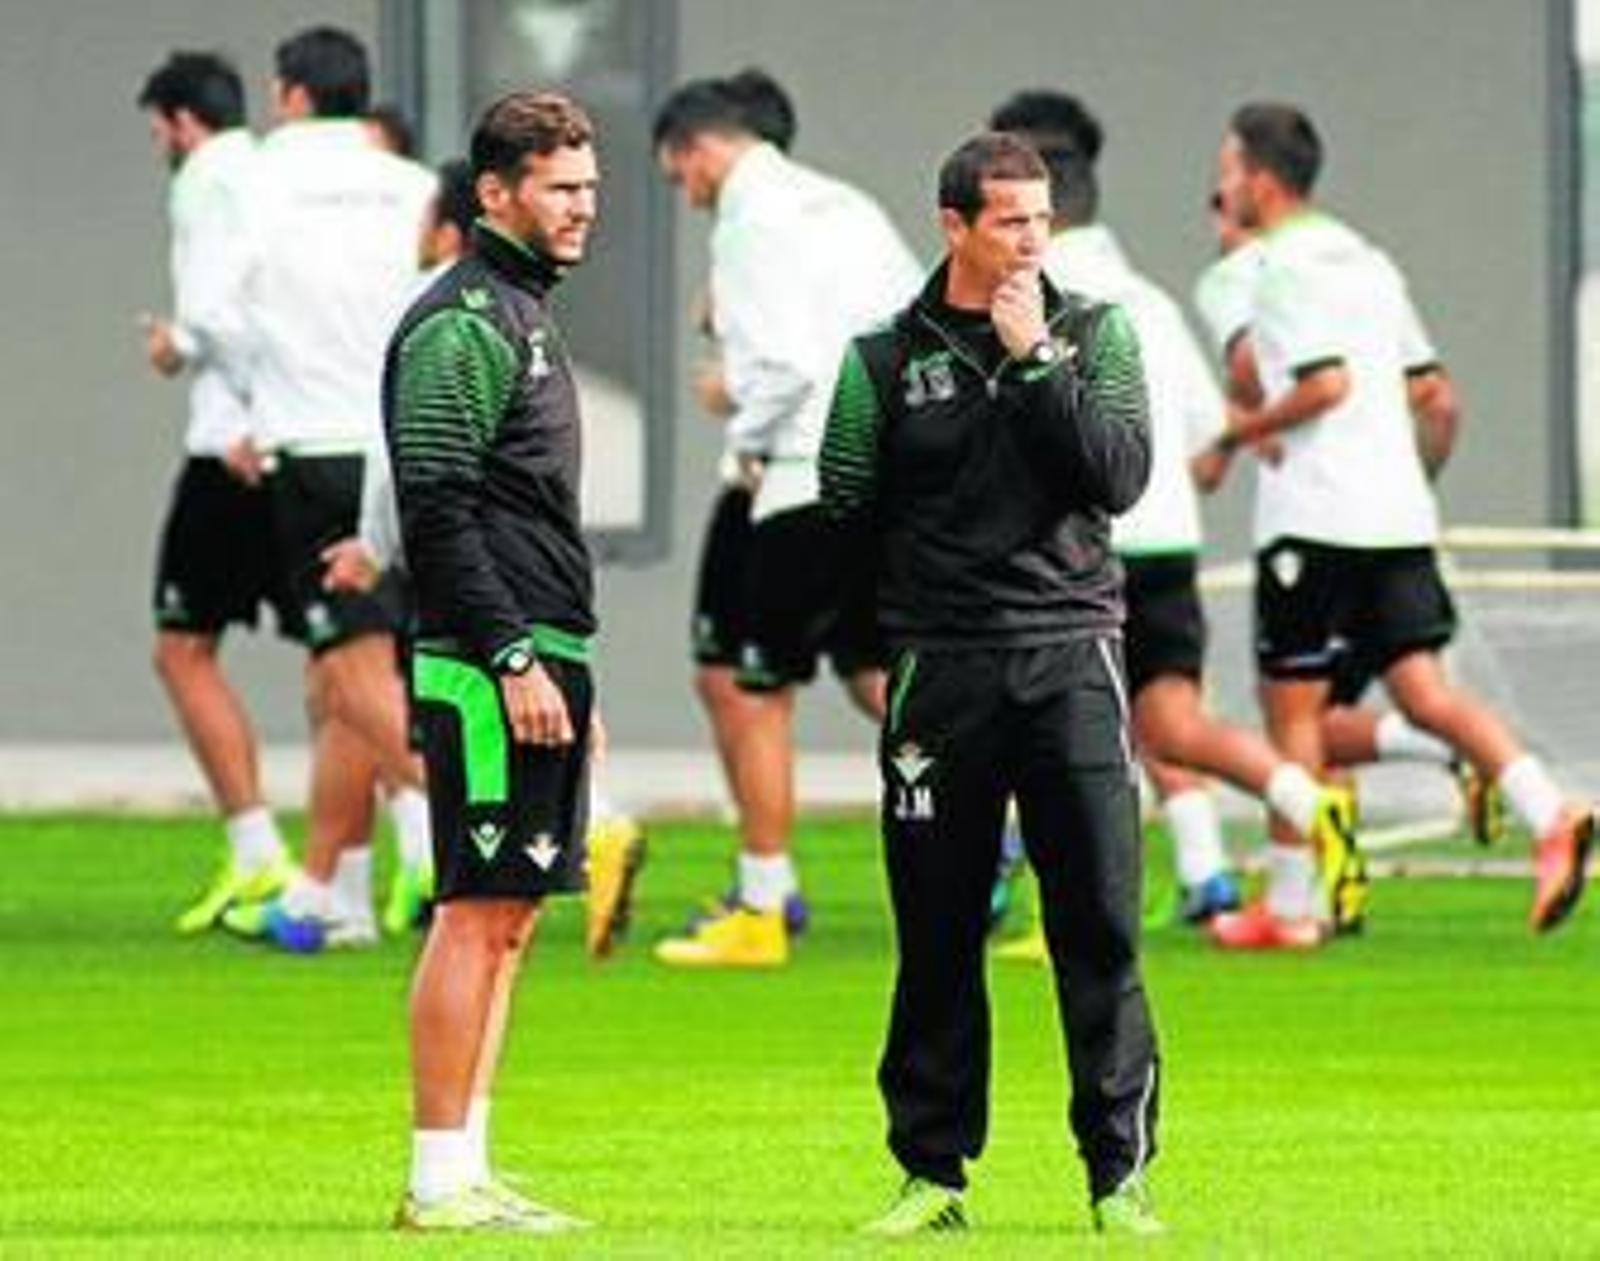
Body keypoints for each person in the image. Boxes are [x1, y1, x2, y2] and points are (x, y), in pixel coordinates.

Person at [822, 131, 1163, 1237]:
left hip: (1071, 656)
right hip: (941, 669)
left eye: (1041, 219)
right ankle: (932, 1174)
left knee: (1099, 926)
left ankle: (1118, 1176)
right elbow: (841, 506)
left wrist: (1033, 366)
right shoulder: (880, 354)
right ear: (955, 224)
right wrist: (879, 645)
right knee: (934, 932)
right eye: (1009, 220)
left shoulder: (1094, 333)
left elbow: (1116, 476)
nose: (1030, 240)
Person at [1203, 102, 1593, 944]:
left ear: (1261, 182)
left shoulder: (1275, 268)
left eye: (1228, 170)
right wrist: (1406, 485)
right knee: (1426, 693)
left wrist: (1234, 438)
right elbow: (1437, 400)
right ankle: (1550, 811)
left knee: (1294, 713)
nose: (1223, 186)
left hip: (1315, 517)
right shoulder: (1373, 263)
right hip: (1399, 516)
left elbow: (1324, 383)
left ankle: (1294, 905)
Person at [987, 90, 1361, 937]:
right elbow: (1209, 433)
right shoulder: (1148, 298)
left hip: (1077, 549)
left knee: (1054, 731)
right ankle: (1309, 803)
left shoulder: (1028, 297)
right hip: (1168, 539)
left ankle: (1065, 916)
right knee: (1171, 724)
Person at [385, 89, 601, 1233]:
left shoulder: (523, 311)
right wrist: (514, 656)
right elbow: (438, 512)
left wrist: (565, 672)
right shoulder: (462, 321)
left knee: (512, 913)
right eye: (561, 189)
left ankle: (467, 1166)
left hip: (542, 652)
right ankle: (432, 1177)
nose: (582, 210)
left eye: (589, 189)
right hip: (484, 664)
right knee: (472, 910)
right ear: (495, 192)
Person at [650, 74, 922, 967]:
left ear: (697, 148)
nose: (685, 194)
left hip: (804, 474)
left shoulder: (747, 219)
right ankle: (1007, 831)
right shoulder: (848, 206)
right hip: (888, 475)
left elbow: (786, 369)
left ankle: (763, 901)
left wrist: (741, 421)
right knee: (881, 671)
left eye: (677, 176)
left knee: (751, 688)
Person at [218, 26, 438, 952]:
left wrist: (249, 405)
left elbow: (216, 311)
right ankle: (331, 892)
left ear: (290, 93)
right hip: (404, 436)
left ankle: (468, 825)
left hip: (311, 443)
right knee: (345, 676)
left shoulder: (256, 178)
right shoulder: (410, 181)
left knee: (351, 668)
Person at [136, 51, 297, 934]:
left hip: (232, 449)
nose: (161, 143)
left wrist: (179, 344)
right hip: (305, 439)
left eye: (159, 128)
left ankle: (256, 849)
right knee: (345, 661)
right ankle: (413, 847)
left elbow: (218, 313)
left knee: (182, 646)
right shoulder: (279, 172)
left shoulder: (205, 178)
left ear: (182, 122)